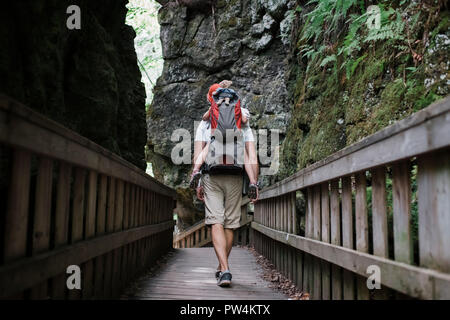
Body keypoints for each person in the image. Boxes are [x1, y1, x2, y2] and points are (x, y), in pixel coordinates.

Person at [193, 84, 259, 287]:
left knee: (216, 221)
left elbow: (200, 153)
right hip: (236, 174)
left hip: (211, 175)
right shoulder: (242, 122)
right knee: (230, 223)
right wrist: (253, 182)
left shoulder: (206, 124)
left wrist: (196, 175)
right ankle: (224, 268)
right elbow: (250, 156)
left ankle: (225, 269)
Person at [190, 81, 258, 200]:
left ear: (209, 98)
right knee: (246, 156)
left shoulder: (212, 110)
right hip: (234, 142)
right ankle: (252, 182)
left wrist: (199, 184)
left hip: (216, 141)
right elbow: (245, 120)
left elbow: (204, 118)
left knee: (205, 150)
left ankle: (195, 171)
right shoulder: (238, 108)